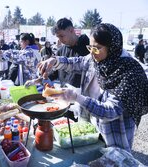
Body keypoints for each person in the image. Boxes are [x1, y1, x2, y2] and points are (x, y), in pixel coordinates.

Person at [38, 23, 148, 152]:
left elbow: (111, 111)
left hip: (113, 133)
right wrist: (55, 61)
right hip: (90, 127)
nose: (92, 53)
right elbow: (76, 62)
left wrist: (76, 97)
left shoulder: (129, 71)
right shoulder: (95, 59)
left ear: (112, 47)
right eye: (90, 47)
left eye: (97, 48)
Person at [50, 17, 90, 88]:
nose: (60, 40)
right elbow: (54, 73)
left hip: (83, 96)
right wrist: (43, 78)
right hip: (64, 94)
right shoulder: (60, 51)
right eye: (58, 37)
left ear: (71, 30)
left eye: (62, 36)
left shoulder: (88, 47)